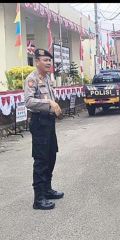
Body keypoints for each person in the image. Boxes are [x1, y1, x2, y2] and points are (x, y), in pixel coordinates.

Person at [24, 48, 64, 210]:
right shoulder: (31, 79)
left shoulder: (47, 78)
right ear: (37, 61)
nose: (48, 63)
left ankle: (47, 189)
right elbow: (28, 101)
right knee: (41, 159)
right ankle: (38, 198)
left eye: (50, 60)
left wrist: (55, 108)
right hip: (39, 122)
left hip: (49, 121)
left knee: (51, 155)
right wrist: (49, 104)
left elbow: (50, 98)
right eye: (45, 60)